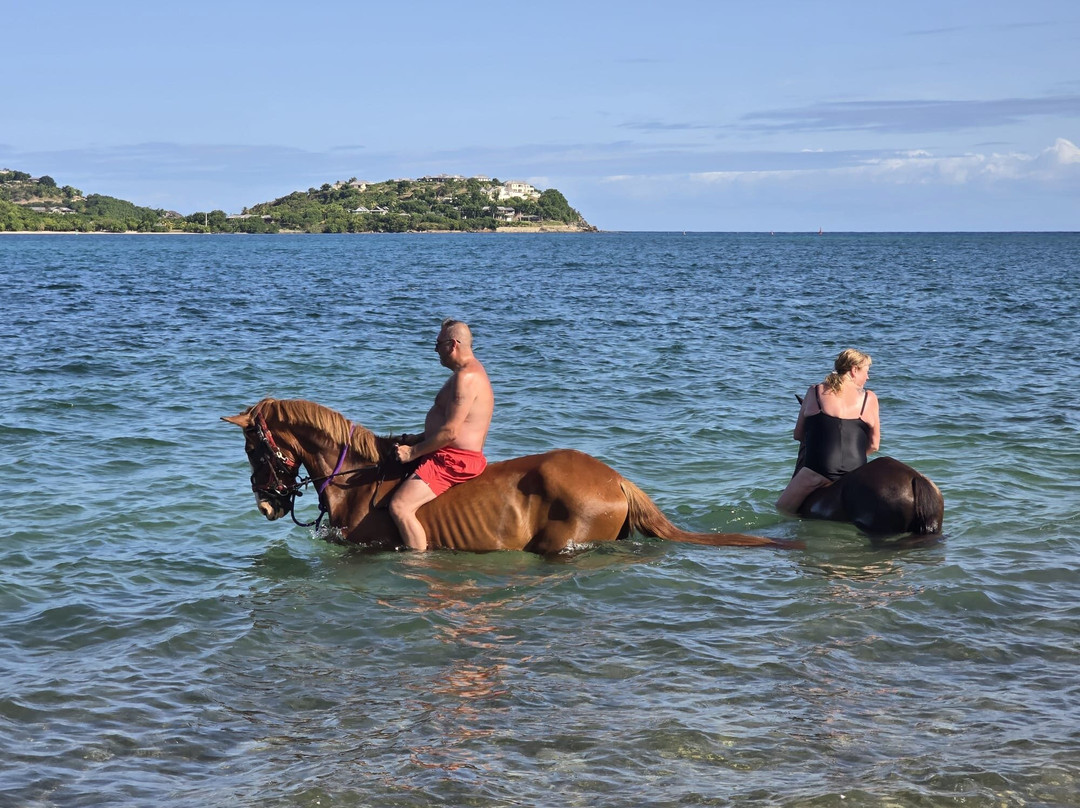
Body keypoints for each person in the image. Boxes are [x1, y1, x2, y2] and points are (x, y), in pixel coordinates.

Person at [390, 319, 494, 551]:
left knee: (400, 507)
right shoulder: (469, 372)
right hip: (447, 453)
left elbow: (450, 432)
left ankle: (416, 567)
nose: (436, 350)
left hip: (454, 460)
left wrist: (412, 453)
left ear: (452, 345)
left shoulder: (465, 378)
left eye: (437, 345)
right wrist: (419, 438)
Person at [775, 349, 881, 515]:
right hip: (856, 472)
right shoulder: (870, 398)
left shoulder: (815, 392)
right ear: (854, 370)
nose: (867, 377)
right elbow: (874, 445)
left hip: (819, 471)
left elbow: (798, 435)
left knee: (781, 509)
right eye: (866, 372)